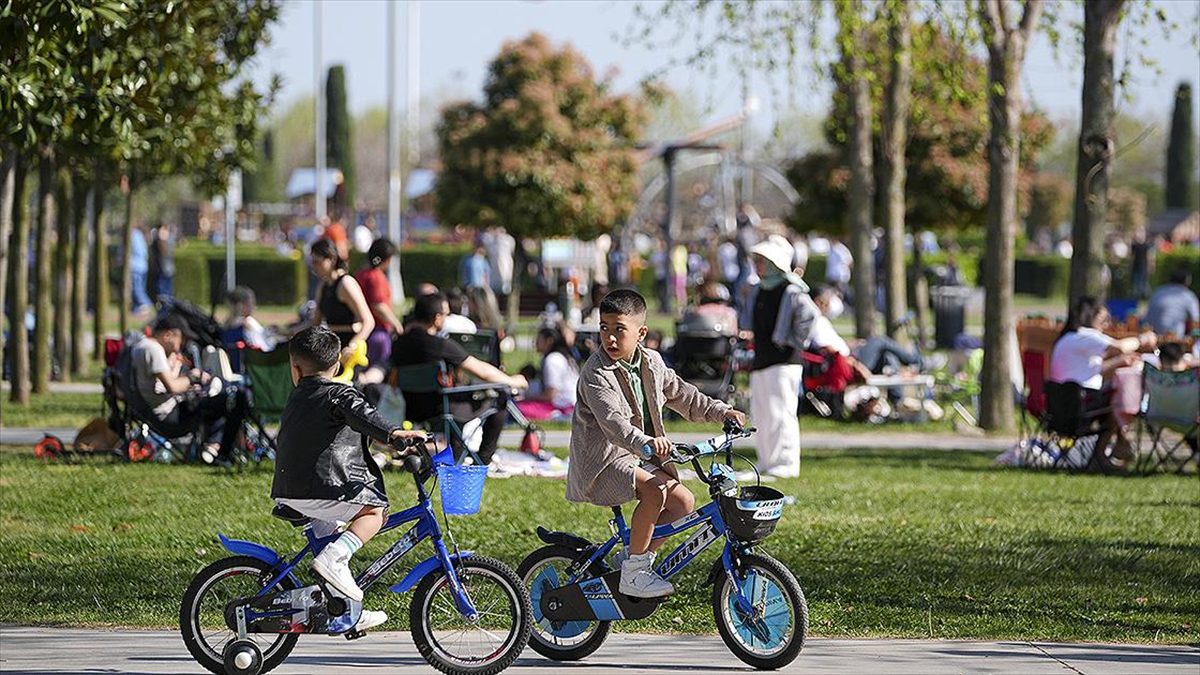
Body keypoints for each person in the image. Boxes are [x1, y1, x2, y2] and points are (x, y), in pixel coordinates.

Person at [567, 289, 746, 598]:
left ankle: (637, 558)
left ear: (641, 333)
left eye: (619, 329)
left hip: (639, 456)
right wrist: (648, 442)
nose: (609, 338)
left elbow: (684, 395)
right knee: (655, 489)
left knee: (683, 503)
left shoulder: (652, 362)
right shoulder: (595, 373)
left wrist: (722, 411)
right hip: (604, 461)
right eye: (604, 328)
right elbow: (615, 425)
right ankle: (635, 573)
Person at [272, 326, 428, 631]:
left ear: (295, 369)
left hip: (289, 489)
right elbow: (363, 414)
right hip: (321, 488)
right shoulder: (338, 393)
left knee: (331, 537)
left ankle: (345, 614)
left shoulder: (297, 396)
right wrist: (394, 433)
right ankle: (334, 561)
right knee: (375, 512)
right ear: (337, 366)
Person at [390, 292, 527, 465]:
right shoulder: (439, 345)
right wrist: (513, 380)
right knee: (499, 398)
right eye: (446, 315)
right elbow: (482, 371)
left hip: (411, 409)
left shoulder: (398, 343)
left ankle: (454, 452)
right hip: (441, 410)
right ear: (437, 318)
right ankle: (482, 461)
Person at [741, 235, 817, 479]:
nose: (758, 264)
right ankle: (767, 461)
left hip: (784, 362)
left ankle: (786, 463)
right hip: (762, 359)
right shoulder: (759, 290)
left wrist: (792, 342)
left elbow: (810, 317)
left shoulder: (792, 290)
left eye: (763, 260)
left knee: (782, 412)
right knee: (763, 413)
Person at [1049, 296, 1156, 466]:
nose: (1107, 324)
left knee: (1113, 396)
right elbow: (1120, 346)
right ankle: (1108, 450)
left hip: (1059, 406)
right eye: (1104, 319)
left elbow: (1091, 370)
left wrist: (1120, 361)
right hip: (1078, 406)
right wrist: (1143, 339)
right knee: (1119, 399)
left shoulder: (1068, 338)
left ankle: (1116, 446)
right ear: (1091, 317)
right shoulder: (1086, 336)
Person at [130, 314, 249, 463]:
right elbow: (172, 387)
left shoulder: (139, 346)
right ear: (168, 335)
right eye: (181, 339)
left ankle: (212, 448)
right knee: (233, 399)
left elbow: (161, 385)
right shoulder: (153, 349)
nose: (181, 345)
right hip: (171, 418)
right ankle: (219, 452)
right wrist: (194, 376)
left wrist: (176, 366)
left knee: (218, 399)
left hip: (156, 413)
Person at [307, 238, 375, 363]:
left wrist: (352, 346)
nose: (314, 267)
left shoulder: (346, 284)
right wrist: (288, 332)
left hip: (348, 352)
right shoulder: (323, 285)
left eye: (317, 262)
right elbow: (314, 323)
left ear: (332, 259)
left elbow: (368, 322)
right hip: (331, 350)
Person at [353, 238, 405, 370]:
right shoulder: (376, 277)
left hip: (362, 331)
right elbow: (378, 306)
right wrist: (396, 324)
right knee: (378, 370)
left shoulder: (360, 274)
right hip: (378, 333)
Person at [516, 327, 579, 421]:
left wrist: (527, 398)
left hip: (562, 407)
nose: (535, 343)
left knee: (516, 408)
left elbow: (551, 394)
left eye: (538, 339)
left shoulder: (553, 360)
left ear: (549, 341)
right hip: (567, 404)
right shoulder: (561, 356)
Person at [1143, 269, 1199, 338]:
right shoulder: (1188, 296)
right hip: (1173, 339)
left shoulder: (1158, 291)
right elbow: (1195, 323)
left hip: (1150, 336)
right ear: (1187, 282)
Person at [224, 286, 272, 351]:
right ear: (240, 305)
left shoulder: (228, 324)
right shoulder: (246, 323)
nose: (253, 307)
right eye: (250, 303)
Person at [129, 226, 152, 313]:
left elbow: (136, 251)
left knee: (137, 289)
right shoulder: (139, 235)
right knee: (140, 288)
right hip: (143, 266)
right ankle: (136, 308)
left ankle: (146, 304)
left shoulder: (132, 235)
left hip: (135, 266)